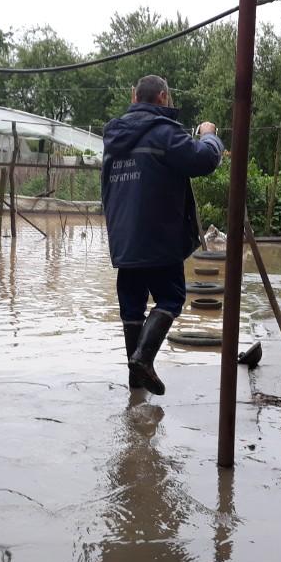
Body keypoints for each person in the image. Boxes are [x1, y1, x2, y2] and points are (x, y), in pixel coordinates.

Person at [101, 75, 223, 395]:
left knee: (131, 308)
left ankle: (135, 387)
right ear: (163, 98)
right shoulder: (164, 134)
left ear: (133, 95)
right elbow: (203, 160)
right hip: (158, 239)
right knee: (170, 297)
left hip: (124, 239)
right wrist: (209, 136)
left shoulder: (114, 137)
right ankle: (143, 359)